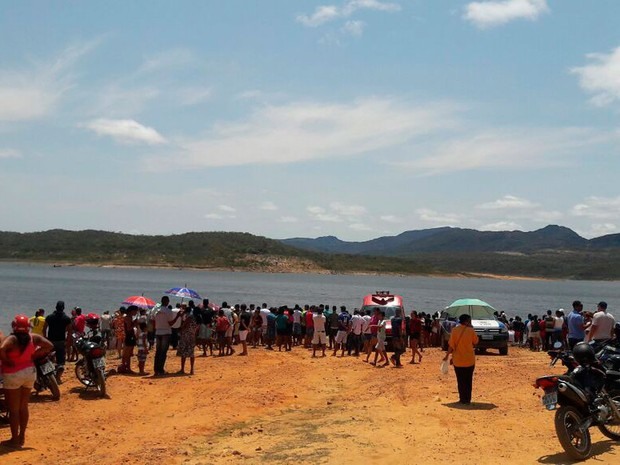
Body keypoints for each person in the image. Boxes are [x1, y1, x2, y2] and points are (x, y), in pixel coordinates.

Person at [0, 315, 54, 448]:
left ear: (14, 326)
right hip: (30, 373)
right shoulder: (33, 337)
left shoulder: (12, 339)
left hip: (13, 375)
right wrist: (35, 355)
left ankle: (14, 439)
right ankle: (22, 436)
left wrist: (6, 360)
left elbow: (1, 349)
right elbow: (49, 345)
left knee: (14, 409)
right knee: (23, 407)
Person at [443, 314, 479, 405]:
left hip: (458, 360)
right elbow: (476, 341)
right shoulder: (471, 330)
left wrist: (447, 356)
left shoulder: (455, 330)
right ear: (467, 321)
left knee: (460, 380)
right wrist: (472, 329)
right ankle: (467, 400)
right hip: (469, 359)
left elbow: (451, 345)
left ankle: (462, 399)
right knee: (468, 380)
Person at [43, 301, 72, 384]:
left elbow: (44, 329)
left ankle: (49, 376)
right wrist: (67, 341)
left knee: (48, 359)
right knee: (61, 362)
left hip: (50, 341)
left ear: (55, 307)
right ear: (63, 308)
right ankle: (58, 378)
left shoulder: (49, 317)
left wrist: (45, 339)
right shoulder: (66, 318)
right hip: (61, 341)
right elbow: (70, 331)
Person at [153, 296, 181, 375]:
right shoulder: (168, 311)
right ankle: (161, 370)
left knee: (158, 352)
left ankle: (156, 369)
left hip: (158, 332)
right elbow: (171, 323)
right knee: (163, 352)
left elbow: (153, 320)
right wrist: (177, 316)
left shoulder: (156, 310)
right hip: (166, 332)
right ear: (167, 302)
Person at [177, 304, 199, 374]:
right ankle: (192, 369)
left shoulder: (189, 317)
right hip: (192, 336)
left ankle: (182, 369)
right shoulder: (196, 318)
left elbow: (184, 326)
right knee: (191, 353)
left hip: (185, 336)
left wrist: (180, 327)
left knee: (184, 352)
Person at [119, 306, 138, 374]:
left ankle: (125, 366)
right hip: (129, 336)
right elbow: (129, 328)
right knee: (127, 353)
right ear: (132, 311)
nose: (136, 312)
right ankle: (127, 368)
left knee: (127, 353)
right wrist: (134, 323)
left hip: (129, 336)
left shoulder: (128, 317)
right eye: (135, 311)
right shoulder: (128, 318)